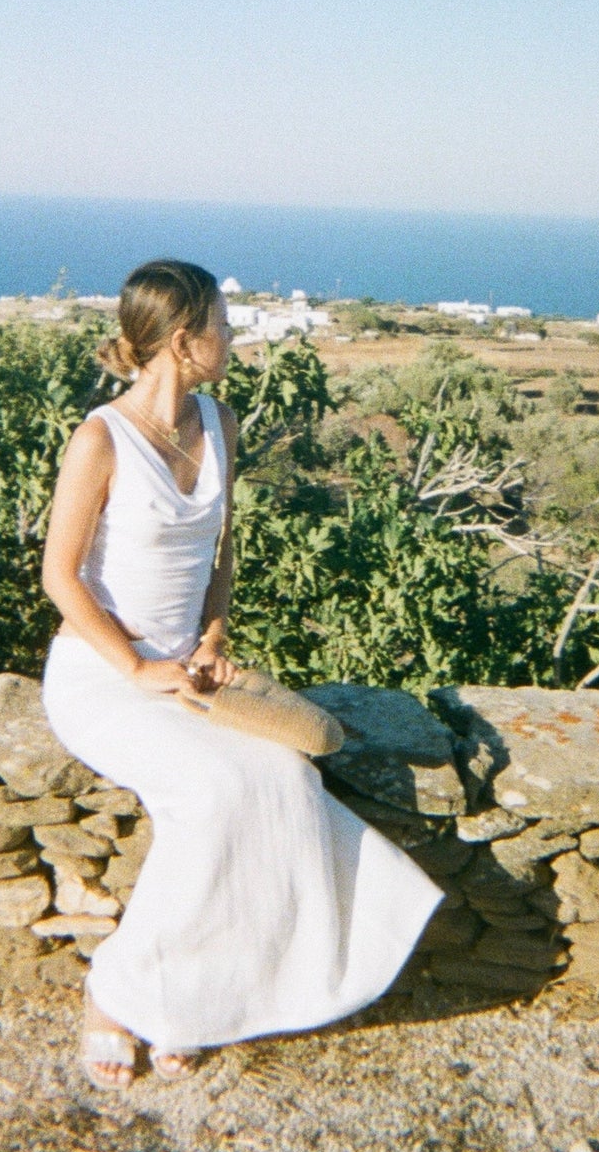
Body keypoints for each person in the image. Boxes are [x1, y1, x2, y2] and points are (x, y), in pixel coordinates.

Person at [40, 258, 441, 1088]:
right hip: (100, 674)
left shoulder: (218, 420)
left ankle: (190, 997)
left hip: (186, 666)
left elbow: (220, 553)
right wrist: (134, 665)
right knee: (219, 791)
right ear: (185, 342)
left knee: (284, 775)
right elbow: (59, 577)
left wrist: (213, 635)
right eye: (224, 323)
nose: (236, 335)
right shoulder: (100, 438)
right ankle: (116, 992)